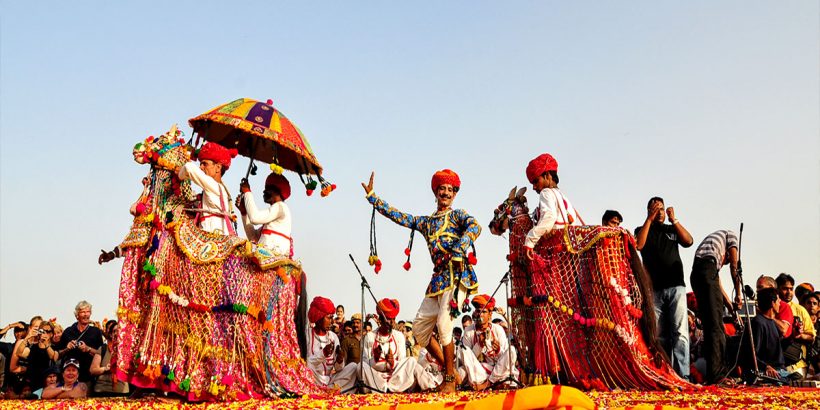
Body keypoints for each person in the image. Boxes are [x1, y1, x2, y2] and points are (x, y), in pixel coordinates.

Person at [361, 170, 481, 392]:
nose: (445, 193)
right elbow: (401, 217)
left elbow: (475, 226)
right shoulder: (426, 223)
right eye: (441, 189)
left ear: (454, 194)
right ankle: (452, 371)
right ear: (435, 193)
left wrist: (460, 246)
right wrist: (374, 199)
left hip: (456, 274)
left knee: (444, 325)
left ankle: (449, 379)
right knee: (419, 329)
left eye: (450, 190)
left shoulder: (457, 216)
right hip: (438, 279)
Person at [635, 196, 694, 380]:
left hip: (676, 286)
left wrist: (674, 220)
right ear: (648, 210)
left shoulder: (671, 229)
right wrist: (649, 220)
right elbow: (639, 244)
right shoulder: (642, 229)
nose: (659, 212)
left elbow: (689, 241)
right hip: (654, 290)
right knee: (658, 335)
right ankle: (663, 373)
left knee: (680, 333)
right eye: (655, 208)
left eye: (661, 208)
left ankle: (682, 375)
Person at [689, 230, 740, 384]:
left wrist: (731, 308)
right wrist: (738, 294)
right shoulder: (731, 237)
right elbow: (734, 266)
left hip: (697, 275)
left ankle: (716, 374)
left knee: (712, 324)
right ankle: (718, 376)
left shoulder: (710, 252)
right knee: (717, 327)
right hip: (706, 272)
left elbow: (716, 284)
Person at [523, 153, 582, 260]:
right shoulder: (563, 195)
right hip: (571, 254)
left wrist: (530, 240)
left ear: (547, 176)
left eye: (536, 181)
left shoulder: (545, 192)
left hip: (556, 253)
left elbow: (549, 217)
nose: (534, 187)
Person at [360, 298, 422, 393]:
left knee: (411, 360)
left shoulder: (399, 336)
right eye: (388, 319)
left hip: (394, 377)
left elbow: (402, 363)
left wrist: (393, 362)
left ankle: (390, 388)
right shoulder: (370, 336)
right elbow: (365, 363)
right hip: (376, 378)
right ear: (380, 319)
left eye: (393, 319)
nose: (392, 322)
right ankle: (382, 389)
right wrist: (375, 358)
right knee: (360, 366)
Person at [459, 295, 519, 390]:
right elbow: (467, 359)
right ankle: (493, 383)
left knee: (511, 350)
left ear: (490, 314)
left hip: (497, 371)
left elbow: (503, 360)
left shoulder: (498, 329)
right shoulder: (468, 331)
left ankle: (489, 383)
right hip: (480, 371)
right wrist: (479, 345)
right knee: (464, 351)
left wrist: (498, 350)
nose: (480, 315)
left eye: (484, 312)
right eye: (478, 311)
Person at [178, 141, 238, 235]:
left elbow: (188, 167)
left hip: (212, 240)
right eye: (200, 164)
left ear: (218, 167)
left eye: (205, 164)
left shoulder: (214, 186)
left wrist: (179, 174)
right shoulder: (219, 189)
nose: (201, 167)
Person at [305, 297, 357, 392]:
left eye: (332, 318)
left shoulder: (333, 337)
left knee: (353, 367)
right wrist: (323, 354)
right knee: (305, 364)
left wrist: (340, 360)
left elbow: (338, 368)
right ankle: (329, 390)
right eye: (329, 318)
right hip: (313, 378)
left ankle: (329, 390)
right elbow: (306, 363)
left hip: (330, 379)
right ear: (319, 317)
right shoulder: (307, 335)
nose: (332, 321)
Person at [237, 172, 294, 257]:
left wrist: (247, 192)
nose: (264, 191)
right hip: (263, 256)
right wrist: (244, 213)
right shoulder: (274, 216)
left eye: (267, 188)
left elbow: (254, 218)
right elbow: (253, 237)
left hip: (272, 258)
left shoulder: (280, 207)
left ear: (276, 191)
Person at [741, 288, 787, 381]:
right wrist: (766, 367)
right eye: (778, 301)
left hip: (780, 371)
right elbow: (750, 354)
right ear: (772, 303)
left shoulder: (772, 322)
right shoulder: (758, 323)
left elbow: (775, 348)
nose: (779, 304)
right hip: (767, 373)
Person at [776, 273, 816, 377]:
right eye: (785, 289)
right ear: (777, 289)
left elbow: (812, 337)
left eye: (791, 289)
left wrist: (799, 335)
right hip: (774, 367)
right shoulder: (770, 309)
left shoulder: (800, 310)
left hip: (796, 367)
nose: (789, 292)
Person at [55, 301, 103, 382]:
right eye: (83, 312)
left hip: (89, 377)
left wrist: (88, 349)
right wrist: (67, 348)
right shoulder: (68, 331)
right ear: (77, 315)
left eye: (88, 312)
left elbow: (102, 354)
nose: (86, 314)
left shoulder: (96, 331)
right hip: (69, 377)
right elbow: (58, 355)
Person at [16, 320, 58, 391]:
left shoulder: (55, 347)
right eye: (43, 331)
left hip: (47, 385)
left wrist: (46, 344)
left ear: (51, 334)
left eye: (48, 331)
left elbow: (53, 357)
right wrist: (28, 337)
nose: (45, 333)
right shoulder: (33, 347)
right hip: (32, 384)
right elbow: (19, 353)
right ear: (39, 332)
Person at [90, 320, 129, 396]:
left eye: (120, 331)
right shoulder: (103, 349)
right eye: (114, 331)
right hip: (102, 390)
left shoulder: (129, 351)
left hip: (122, 392)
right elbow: (92, 370)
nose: (117, 333)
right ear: (111, 334)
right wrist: (105, 369)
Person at [799, 292, 819, 375]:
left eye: (815, 303)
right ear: (803, 305)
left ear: (818, 307)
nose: (812, 305)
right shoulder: (799, 324)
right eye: (809, 303)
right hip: (801, 364)